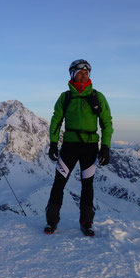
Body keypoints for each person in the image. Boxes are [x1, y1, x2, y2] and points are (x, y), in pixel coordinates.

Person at [45, 59, 113, 236]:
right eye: (80, 72)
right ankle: (51, 222)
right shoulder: (66, 97)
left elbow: (107, 123)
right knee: (59, 183)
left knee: (87, 185)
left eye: (86, 73)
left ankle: (86, 222)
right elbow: (56, 121)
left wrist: (105, 146)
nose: (84, 75)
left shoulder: (97, 97)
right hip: (69, 146)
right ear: (72, 75)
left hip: (90, 147)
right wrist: (53, 143)